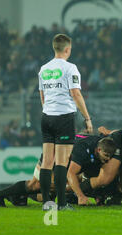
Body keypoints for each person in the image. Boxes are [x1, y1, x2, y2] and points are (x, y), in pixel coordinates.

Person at [38, 34, 93, 211]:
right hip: (63, 117)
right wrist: (87, 118)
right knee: (61, 161)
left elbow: (42, 95)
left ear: (55, 48)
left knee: (47, 161)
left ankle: (47, 203)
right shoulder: (71, 68)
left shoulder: (43, 69)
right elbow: (76, 93)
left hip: (46, 116)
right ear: (68, 49)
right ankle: (61, 204)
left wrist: (48, 110)